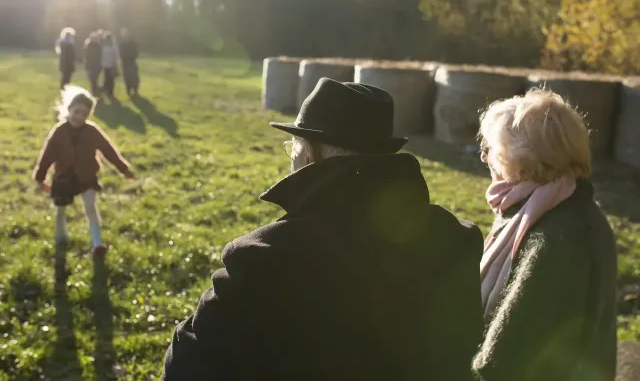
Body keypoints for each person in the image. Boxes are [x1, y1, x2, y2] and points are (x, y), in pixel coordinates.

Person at [162, 78, 485, 380]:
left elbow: (185, 367)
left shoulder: (264, 258)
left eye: (292, 148)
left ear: (310, 153)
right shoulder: (456, 238)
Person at [472, 88, 617, 381]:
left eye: (494, 150)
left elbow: (508, 358)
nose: (485, 157)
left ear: (525, 162)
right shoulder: (551, 207)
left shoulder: (559, 236)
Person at [33, 85, 136, 257]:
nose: (80, 117)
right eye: (77, 112)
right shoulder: (59, 131)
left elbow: (108, 151)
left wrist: (124, 169)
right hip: (63, 178)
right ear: (69, 109)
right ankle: (61, 239)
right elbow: (47, 155)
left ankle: (97, 243)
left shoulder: (92, 131)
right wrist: (40, 177)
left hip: (87, 176)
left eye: (85, 114)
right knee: (60, 210)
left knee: (90, 207)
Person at [118, 28, 140, 97]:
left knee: (134, 77)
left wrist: (133, 56)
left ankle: (135, 90)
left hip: (132, 61)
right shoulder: (121, 44)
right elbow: (119, 52)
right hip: (125, 62)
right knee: (126, 77)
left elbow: (136, 52)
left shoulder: (133, 43)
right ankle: (128, 90)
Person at [101, 31, 119, 99]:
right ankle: (107, 90)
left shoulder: (113, 45)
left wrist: (114, 62)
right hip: (104, 64)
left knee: (111, 79)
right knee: (106, 78)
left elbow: (116, 54)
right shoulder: (103, 45)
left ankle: (110, 92)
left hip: (111, 64)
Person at [84, 30, 103, 96]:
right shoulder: (91, 45)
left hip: (95, 64)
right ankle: (94, 90)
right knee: (93, 78)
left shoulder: (96, 45)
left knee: (94, 78)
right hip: (93, 64)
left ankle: (94, 90)